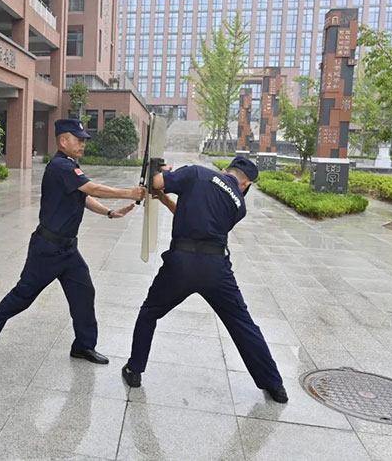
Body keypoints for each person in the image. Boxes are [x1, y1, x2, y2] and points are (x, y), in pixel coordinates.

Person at [121, 156, 288, 403]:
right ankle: (275, 386)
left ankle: (134, 371)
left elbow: (155, 182)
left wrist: (163, 174)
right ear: (246, 184)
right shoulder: (239, 205)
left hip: (181, 263)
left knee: (150, 312)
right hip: (216, 268)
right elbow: (204, 220)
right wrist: (167, 200)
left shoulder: (197, 173)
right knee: (242, 324)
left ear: (224, 170)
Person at [0, 119, 147, 364]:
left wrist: (109, 213)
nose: (82, 144)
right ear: (63, 141)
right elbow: (92, 188)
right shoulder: (60, 166)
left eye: (84, 140)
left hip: (68, 249)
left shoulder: (70, 166)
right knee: (23, 297)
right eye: (78, 139)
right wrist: (127, 193)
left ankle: (83, 346)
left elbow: (84, 196)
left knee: (84, 294)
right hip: (46, 250)